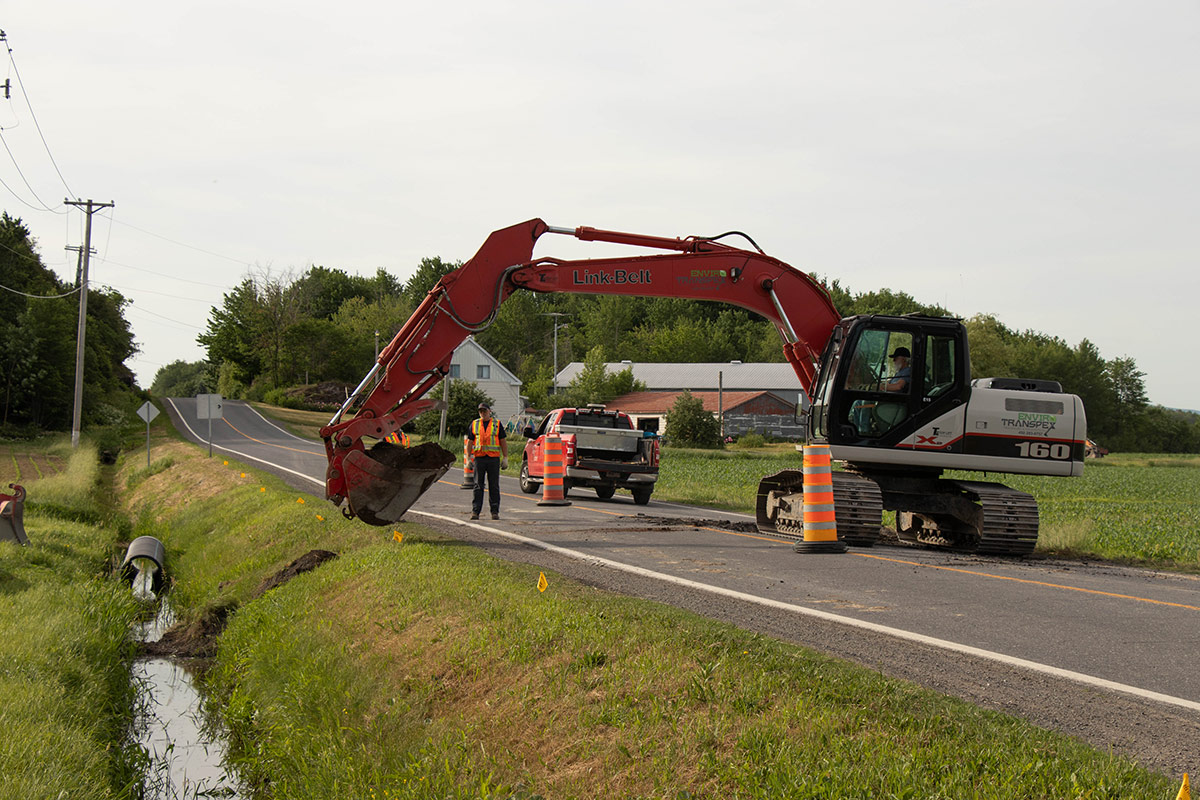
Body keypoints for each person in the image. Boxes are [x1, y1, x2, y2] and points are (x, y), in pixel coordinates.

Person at [467, 402, 508, 520]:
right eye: (480, 411)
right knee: (478, 486)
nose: (482, 413)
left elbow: (502, 441)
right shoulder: (474, 424)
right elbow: (470, 441)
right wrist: (469, 457)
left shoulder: (497, 424)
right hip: (479, 458)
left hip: (493, 458)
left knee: (494, 486)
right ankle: (475, 512)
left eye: (484, 411)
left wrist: (505, 457)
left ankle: (494, 511)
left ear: (489, 411)